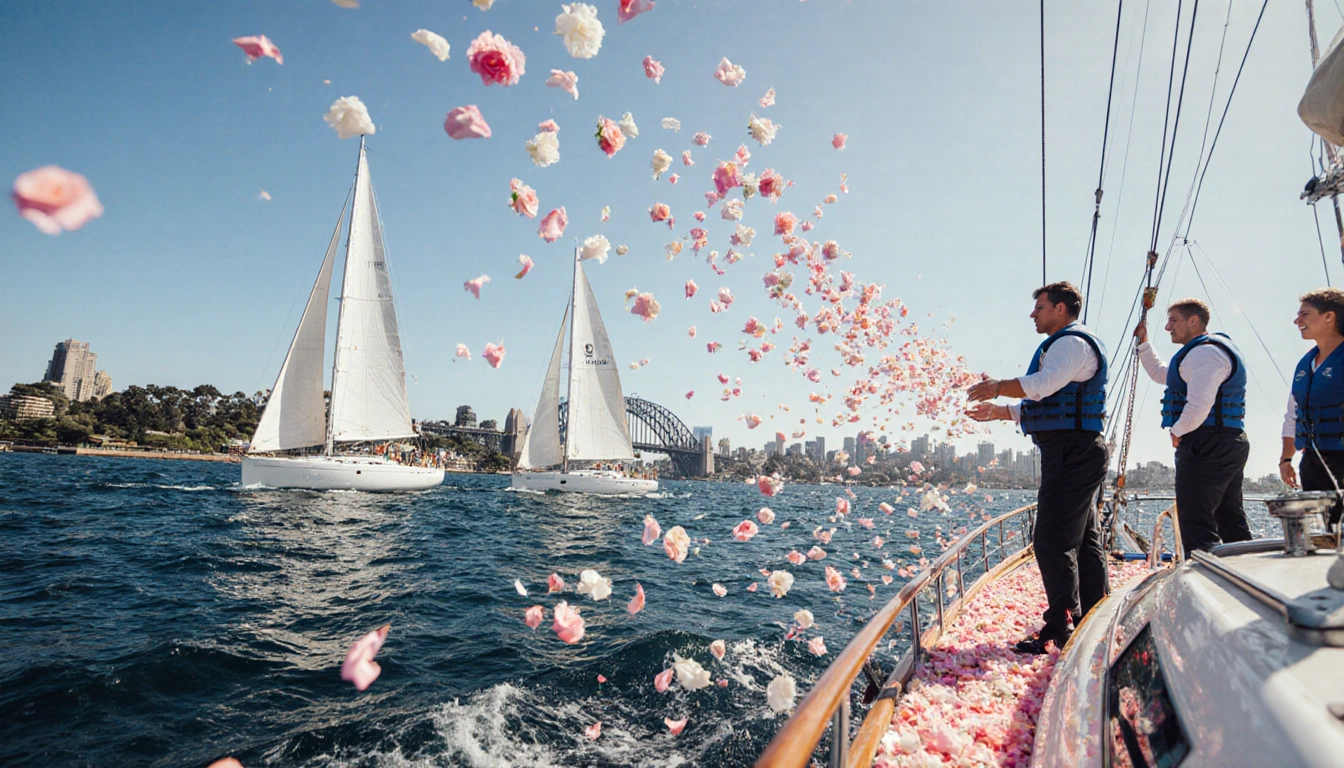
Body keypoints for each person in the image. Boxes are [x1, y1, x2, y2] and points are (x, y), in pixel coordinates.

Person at [967, 281, 1109, 654]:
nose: (1033, 314)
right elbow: (1049, 402)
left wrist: (998, 386)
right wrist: (1000, 412)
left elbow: (1042, 386)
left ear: (1060, 309)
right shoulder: (1066, 346)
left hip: (1072, 453)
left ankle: (1059, 627)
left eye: (1040, 308)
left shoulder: (1070, 344)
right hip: (1073, 450)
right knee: (1083, 540)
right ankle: (1093, 613)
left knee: (1050, 540)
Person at [1135, 298, 1252, 553]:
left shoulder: (1205, 353)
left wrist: (1177, 431)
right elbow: (1161, 373)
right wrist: (1144, 343)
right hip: (1224, 441)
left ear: (1193, 321)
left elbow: (1200, 404)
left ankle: (1204, 579)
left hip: (1208, 443)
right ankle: (1245, 575)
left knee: (1196, 521)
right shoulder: (1198, 354)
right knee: (1229, 518)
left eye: (1173, 320)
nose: (1168, 327)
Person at [1280, 288, 1344, 529]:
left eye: (1305, 314)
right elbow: (1292, 414)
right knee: (1330, 533)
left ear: (1329, 317)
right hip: (1313, 463)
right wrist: (1286, 458)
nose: (1297, 321)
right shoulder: (1304, 364)